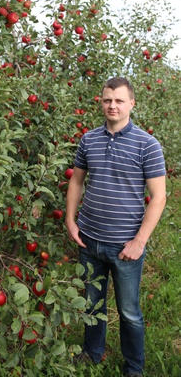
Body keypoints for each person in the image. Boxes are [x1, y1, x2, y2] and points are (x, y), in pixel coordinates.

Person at [65, 76, 166, 377]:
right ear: (101, 101)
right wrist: (71, 220)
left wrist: (139, 241)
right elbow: (76, 180)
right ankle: (92, 354)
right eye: (108, 99)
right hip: (89, 241)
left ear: (131, 103)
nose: (113, 105)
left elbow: (159, 198)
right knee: (92, 304)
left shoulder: (147, 145)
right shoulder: (89, 139)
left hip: (125, 246)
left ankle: (134, 367)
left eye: (119, 100)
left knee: (129, 312)